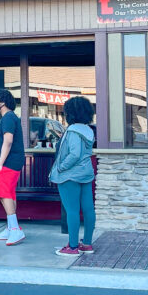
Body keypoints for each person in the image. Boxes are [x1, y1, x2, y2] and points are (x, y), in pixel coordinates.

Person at [50, 96, 96, 257]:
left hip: (70, 175)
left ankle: (73, 246)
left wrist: (61, 167)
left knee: (72, 211)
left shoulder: (72, 130)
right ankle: (87, 243)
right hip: (86, 173)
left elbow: (74, 154)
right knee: (88, 209)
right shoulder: (89, 130)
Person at [0, 87, 26, 246]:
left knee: (4, 194)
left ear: (3, 101)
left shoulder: (7, 118)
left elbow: (8, 140)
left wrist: (0, 163)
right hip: (13, 162)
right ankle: (11, 227)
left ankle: (15, 230)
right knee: (9, 194)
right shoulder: (10, 117)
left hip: (8, 162)